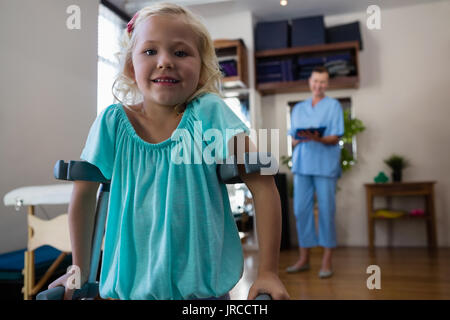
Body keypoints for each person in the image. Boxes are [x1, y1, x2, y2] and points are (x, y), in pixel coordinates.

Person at [48, 3, 289, 300]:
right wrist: (78, 270)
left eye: (180, 52)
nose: (165, 61)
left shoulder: (208, 113)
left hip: (202, 296)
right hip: (129, 292)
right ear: (130, 66)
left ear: (201, 69)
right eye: (150, 51)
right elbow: (84, 195)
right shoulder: (112, 123)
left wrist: (268, 271)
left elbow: (263, 182)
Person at [286, 66, 344, 279]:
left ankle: (327, 260)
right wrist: (300, 138)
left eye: (323, 82)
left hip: (325, 165)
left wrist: (318, 138)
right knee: (301, 211)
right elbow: (292, 139)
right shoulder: (298, 108)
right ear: (309, 82)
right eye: (315, 81)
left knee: (327, 211)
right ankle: (304, 258)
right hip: (302, 165)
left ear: (327, 84)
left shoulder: (334, 106)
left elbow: (335, 136)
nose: (318, 85)